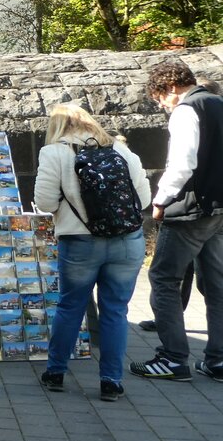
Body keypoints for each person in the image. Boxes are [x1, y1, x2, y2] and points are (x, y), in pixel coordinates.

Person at [33, 103, 151, 401]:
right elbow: (144, 199)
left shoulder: (54, 153)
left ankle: (56, 372)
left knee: (70, 306)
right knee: (115, 310)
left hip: (80, 243)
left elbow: (45, 202)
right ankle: (111, 381)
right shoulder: (121, 150)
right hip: (127, 240)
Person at [131, 61, 223, 382]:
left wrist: (160, 200)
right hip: (219, 209)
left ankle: (173, 357)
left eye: (159, 98)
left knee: (163, 279)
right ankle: (218, 360)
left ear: (170, 88)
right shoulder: (218, 103)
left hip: (190, 210)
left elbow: (183, 163)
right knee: (216, 284)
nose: (161, 105)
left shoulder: (187, 109)